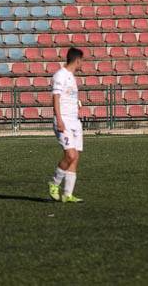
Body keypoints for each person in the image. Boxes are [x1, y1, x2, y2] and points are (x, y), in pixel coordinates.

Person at [48, 47, 85, 203]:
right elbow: (55, 98)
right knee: (70, 155)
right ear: (77, 60)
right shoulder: (60, 75)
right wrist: (59, 119)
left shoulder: (71, 76)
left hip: (74, 120)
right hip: (64, 120)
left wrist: (76, 103)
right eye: (82, 60)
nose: (82, 63)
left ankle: (67, 194)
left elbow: (67, 96)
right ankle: (54, 183)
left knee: (75, 157)